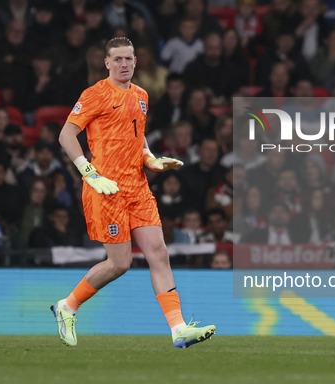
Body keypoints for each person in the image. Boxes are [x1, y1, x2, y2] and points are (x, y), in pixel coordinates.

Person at [52, 37, 215, 348]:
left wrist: (151, 159)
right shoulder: (95, 94)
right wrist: (88, 172)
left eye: (129, 59)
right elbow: (66, 135)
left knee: (159, 253)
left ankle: (178, 328)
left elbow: (137, 139)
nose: (124, 64)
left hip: (137, 187)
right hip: (106, 188)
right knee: (120, 263)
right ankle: (67, 306)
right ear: (107, 63)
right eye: (118, 60)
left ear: (136, 61)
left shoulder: (141, 95)